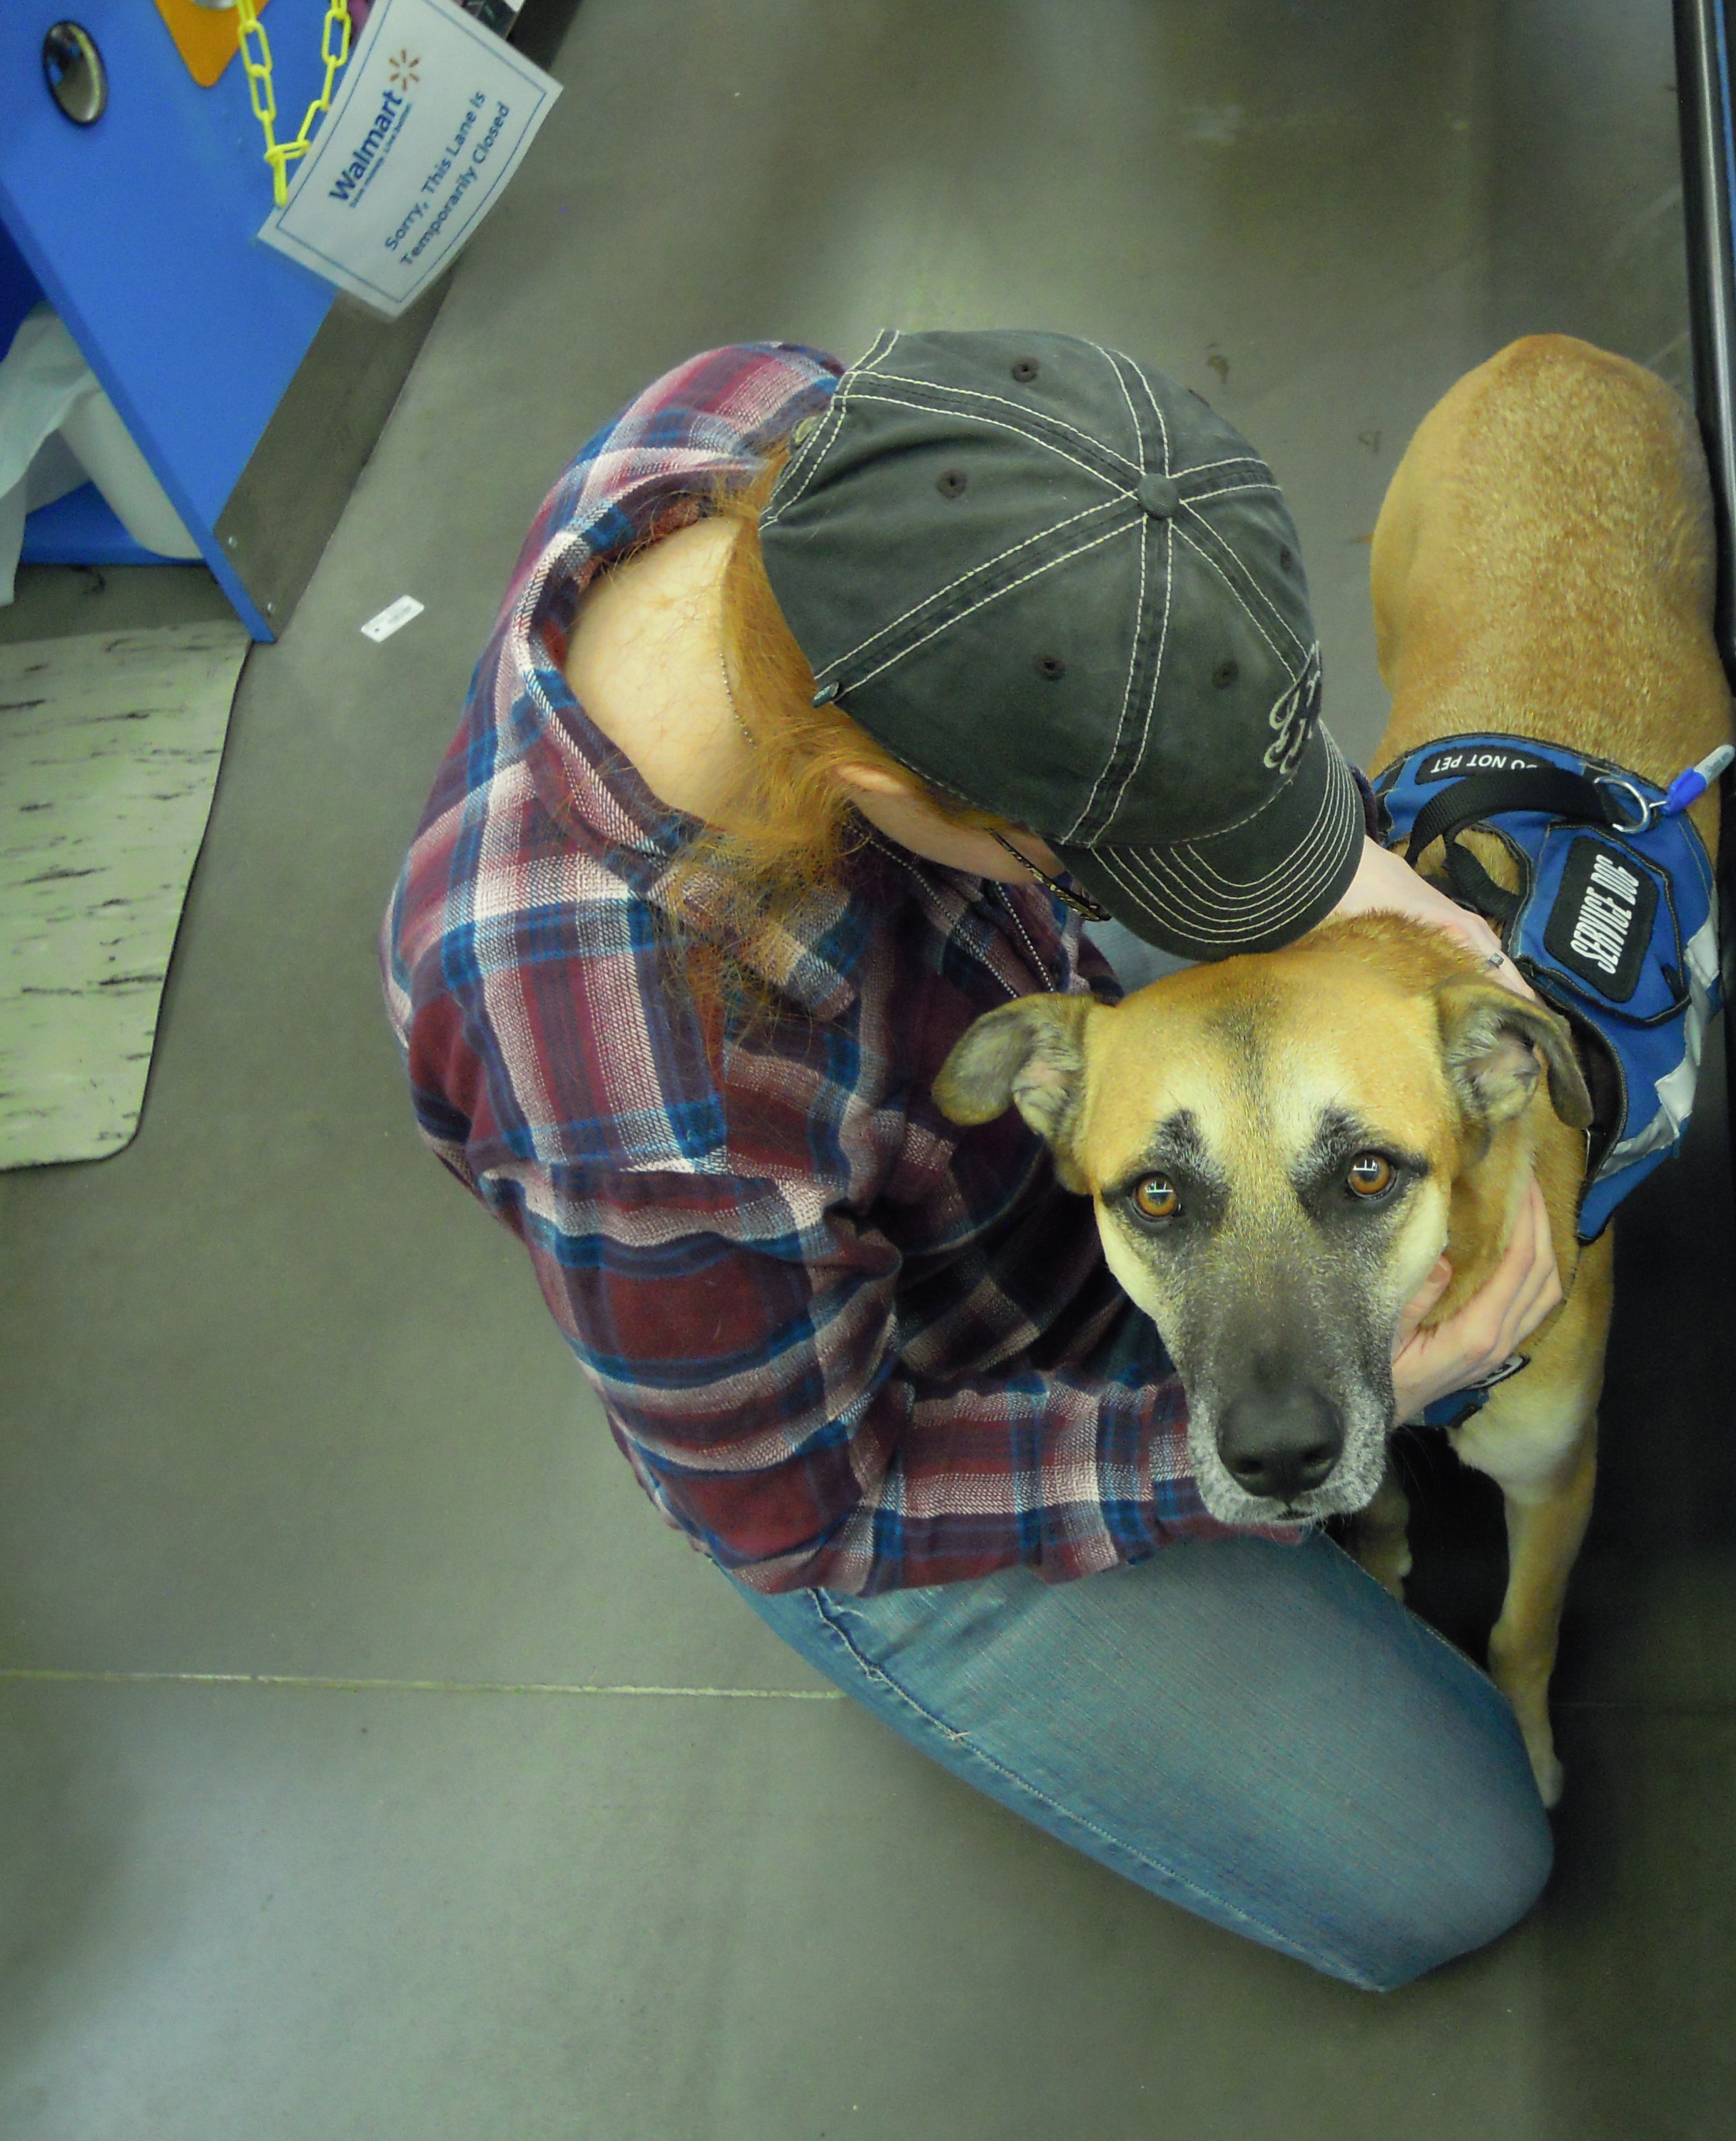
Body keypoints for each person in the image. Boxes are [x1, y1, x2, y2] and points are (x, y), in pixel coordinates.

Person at [382, 331, 1570, 1989]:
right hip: (880, 1429)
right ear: (872, 788)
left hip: (1039, 1133)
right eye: (1099, 846)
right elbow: (814, 1506)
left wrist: (1383, 906)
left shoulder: (799, 437)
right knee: (1456, 1862)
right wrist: (1206, 1454)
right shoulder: (629, 1088)